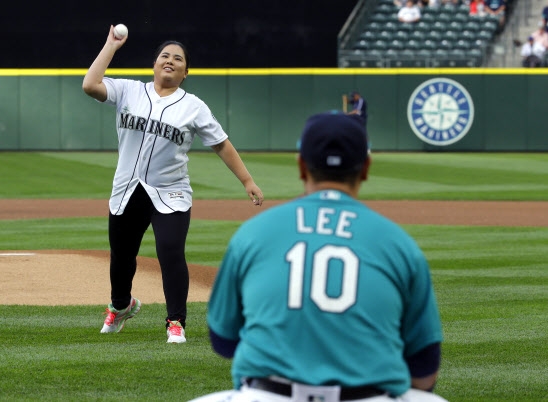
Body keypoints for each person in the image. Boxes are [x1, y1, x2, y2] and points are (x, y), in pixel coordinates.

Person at [189, 112, 446, 402]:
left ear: (301, 166)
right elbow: (425, 367)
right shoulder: (399, 244)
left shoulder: (254, 234)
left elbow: (223, 340)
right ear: (365, 168)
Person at [82, 26, 264, 343]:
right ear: (154, 64)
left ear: (185, 72)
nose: (170, 61)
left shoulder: (193, 106)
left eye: (177, 59)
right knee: (121, 256)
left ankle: (175, 322)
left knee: (170, 253)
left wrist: (247, 180)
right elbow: (90, 85)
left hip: (171, 192)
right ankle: (121, 306)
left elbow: (221, 143)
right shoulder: (129, 91)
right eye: (164, 56)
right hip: (127, 189)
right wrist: (111, 46)